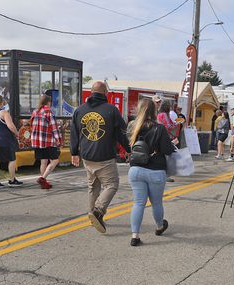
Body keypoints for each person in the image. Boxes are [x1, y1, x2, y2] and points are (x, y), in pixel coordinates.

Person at [70, 80, 130, 233]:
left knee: (93, 186)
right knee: (112, 185)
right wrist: (129, 148)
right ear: (105, 93)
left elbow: (74, 133)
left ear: (91, 92)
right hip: (104, 156)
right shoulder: (111, 110)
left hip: (87, 156)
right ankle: (98, 211)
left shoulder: (79, 110)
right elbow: (122, 133)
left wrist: (74, 152)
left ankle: (92, 215)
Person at [127, 98, 176, 247]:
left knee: (138, 203)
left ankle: (135, 236)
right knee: (156, 202)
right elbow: (168, 150)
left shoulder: (131, 126)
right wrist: (172, 144)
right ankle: (160, 226)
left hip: (135, 170)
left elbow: (128, 145)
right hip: (155, 171)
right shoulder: (159, 128)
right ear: (154, 111)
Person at [0, 95, 22, 189]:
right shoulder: (4, 113)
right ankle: (12, 180)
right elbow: (10, 126)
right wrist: (17, 133)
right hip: (5, 140)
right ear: (2, 102)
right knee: (12, 159)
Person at [29, 95, 62, 190]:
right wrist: (58, 140)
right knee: (55, 160)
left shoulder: (35, 112)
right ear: (49, 102)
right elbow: (54, 128)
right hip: (47, 141)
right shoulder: (48, 112)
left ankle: (43, 182)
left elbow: (31, 125)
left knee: (43, 161)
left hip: (37, 141)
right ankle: (42, 178)